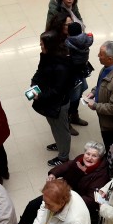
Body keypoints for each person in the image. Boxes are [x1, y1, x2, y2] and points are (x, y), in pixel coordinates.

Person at [18, 142, 110, 224]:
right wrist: (54, 174)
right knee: (33, 205)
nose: (89, 158)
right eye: (88, 153)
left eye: (94, 156)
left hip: (75, 201)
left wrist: (67, 199)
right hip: (64, 192)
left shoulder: (101, 175)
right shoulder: (80, 159)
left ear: (100, 158)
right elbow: (68, 164)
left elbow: (91, 199)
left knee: (49, 215)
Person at [32, 30, 75, 167]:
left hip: (58, 104)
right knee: (54, 126)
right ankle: (59, 144)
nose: (40, 45)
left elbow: (58, 90)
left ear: (50, 45)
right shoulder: (47, 56)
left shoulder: (62, 66)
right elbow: (40, 71)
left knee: (61, 129)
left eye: (42, 43)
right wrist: (34, 83)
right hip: (49, 102)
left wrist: (41, 95)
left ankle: (63, 157)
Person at [85, 41, 113, 154]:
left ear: (110, 58)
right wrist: (94, 92)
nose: (98, 56)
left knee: (111, 148)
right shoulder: (108, 67)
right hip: (105, 119)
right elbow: (103, 84)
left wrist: (95, 106)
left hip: (111, 125)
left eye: (101, 54)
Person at [66, 21, 94, 132]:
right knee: (72, 96)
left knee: (76, 95)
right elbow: (91, 38)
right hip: (74, 72)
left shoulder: (68, 42)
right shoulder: (86, 39)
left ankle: (73, 116)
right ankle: (68, 121)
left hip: (77, 71)